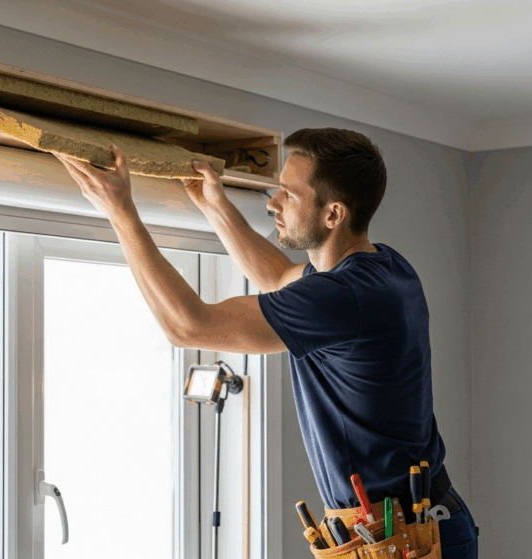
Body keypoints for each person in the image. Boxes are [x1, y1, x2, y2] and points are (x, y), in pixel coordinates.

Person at [54, 127, 478, 558]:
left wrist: (121, 212)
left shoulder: (340, 298)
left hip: (403, 540)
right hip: (400, 529)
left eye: (288, 195)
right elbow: (278, 278)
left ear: (333, 215)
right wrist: (215, 207)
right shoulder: (381, 267)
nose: (272, 203)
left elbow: (188, 326)